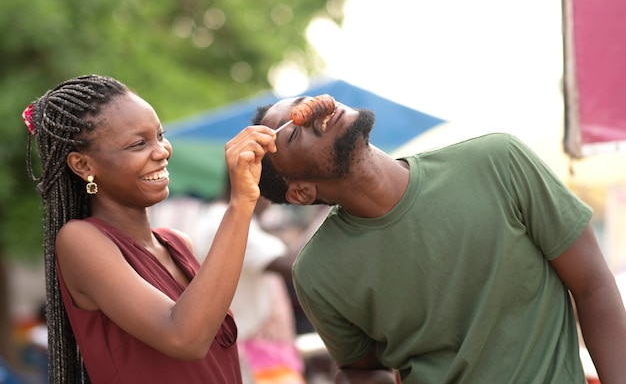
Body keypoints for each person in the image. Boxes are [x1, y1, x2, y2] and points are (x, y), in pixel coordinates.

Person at [251, 95, 626, 384]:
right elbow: (360, 370)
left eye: (309, 104)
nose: (319, 111)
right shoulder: (317, 272)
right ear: (299, 192)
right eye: (295, 128)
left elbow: (593, 285)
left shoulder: (498, 160)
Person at [22, 75, 276, 384]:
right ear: (84, 166)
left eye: (159, 135)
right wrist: (241, 204)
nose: (162, 151)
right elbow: (184, 337)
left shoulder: (177, 244)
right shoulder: (80, 240)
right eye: (138, 144)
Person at [148, 173, 307, 384]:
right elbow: (294, 266)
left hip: (254, 355)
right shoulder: (227, 224)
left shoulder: (225, 221)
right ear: (256, 188)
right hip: (250, 358)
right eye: (273, 192)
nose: (273, 203)